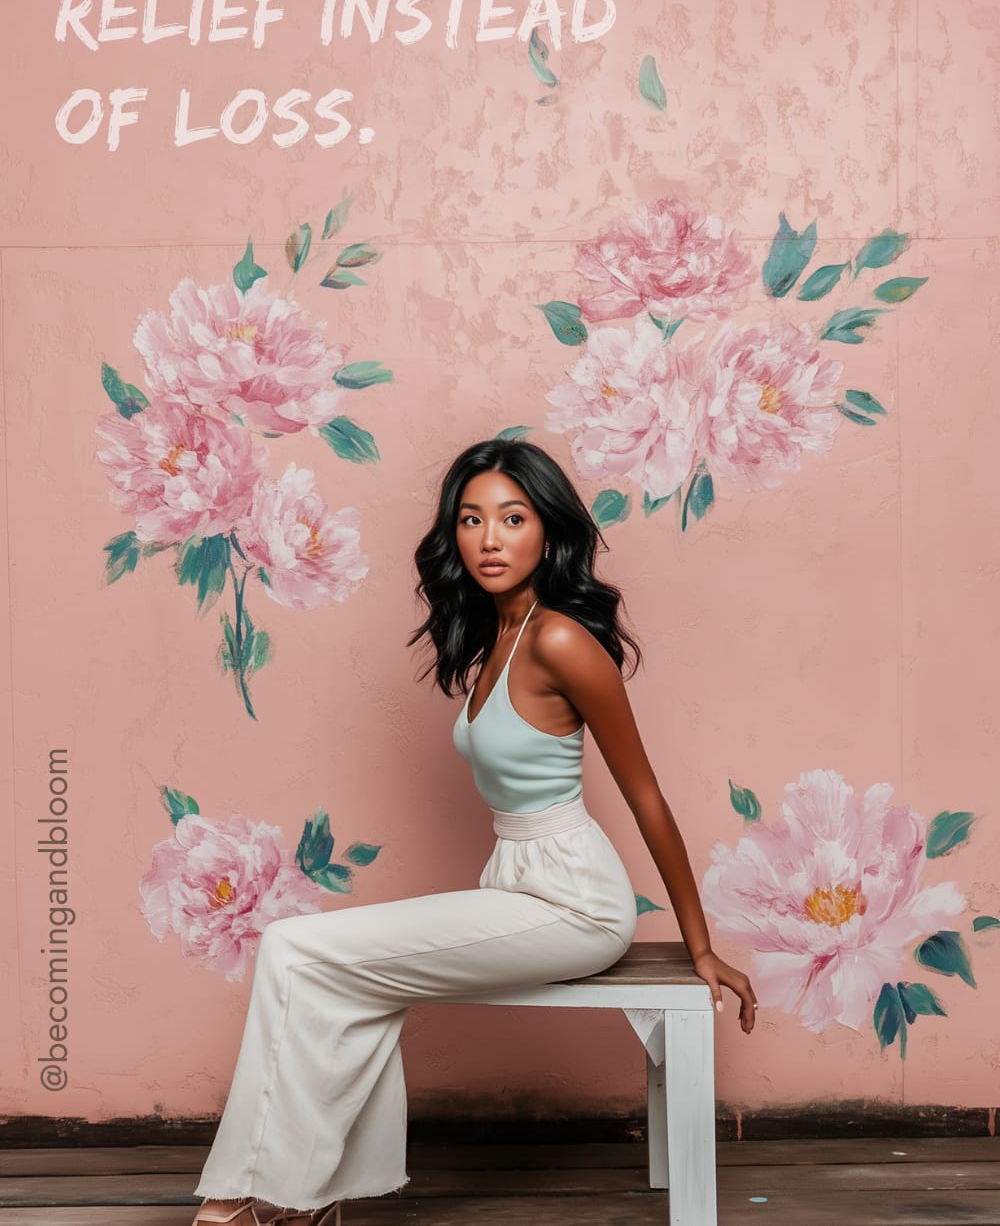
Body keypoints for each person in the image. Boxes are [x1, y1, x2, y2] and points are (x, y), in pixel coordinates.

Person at [191, 438, 758, 1226]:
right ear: (453, 535)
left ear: (549, 531)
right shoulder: (499, 635)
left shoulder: (560, 638)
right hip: (515, 884)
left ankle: (238, 1203)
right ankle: (304, 1196)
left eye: (513, 517)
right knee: (344, 977)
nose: (490, 538)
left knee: (295, 948)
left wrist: (699, 946)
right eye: (471, 519)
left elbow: (647, 798)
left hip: (573, 902)